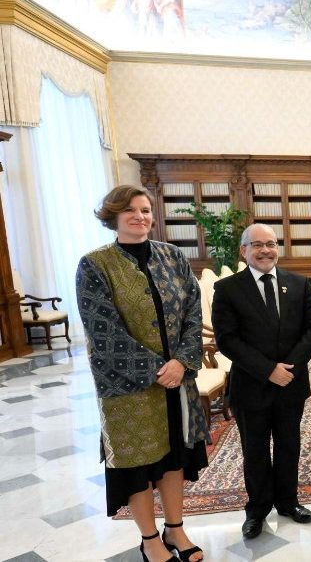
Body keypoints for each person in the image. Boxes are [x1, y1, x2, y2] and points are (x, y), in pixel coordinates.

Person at [77, 185, 207, 562]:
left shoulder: (173, 256)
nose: (141, 216)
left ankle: (176, 529)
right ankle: (150, 539)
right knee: (138, 464)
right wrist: (155, 369)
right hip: (127, 386)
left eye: (146, 210)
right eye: (131, 210)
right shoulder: (95, 264)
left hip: (178, 379)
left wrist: (182, 361)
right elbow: (102, 329)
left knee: (174, 459)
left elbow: (193, 311)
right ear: (113, 216)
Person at [212, 223, 311, 539]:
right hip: (251, 385)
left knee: (289, 445)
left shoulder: (298, 284)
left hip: (291, 382)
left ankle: (289, 502)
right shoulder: (228, 289)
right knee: (256, 451)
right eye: (257, 244)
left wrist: (289, 367)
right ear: (244, 250)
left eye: (271, 244)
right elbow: (227, 340)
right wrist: (267, 369)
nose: (265, 250)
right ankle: (257, 509)